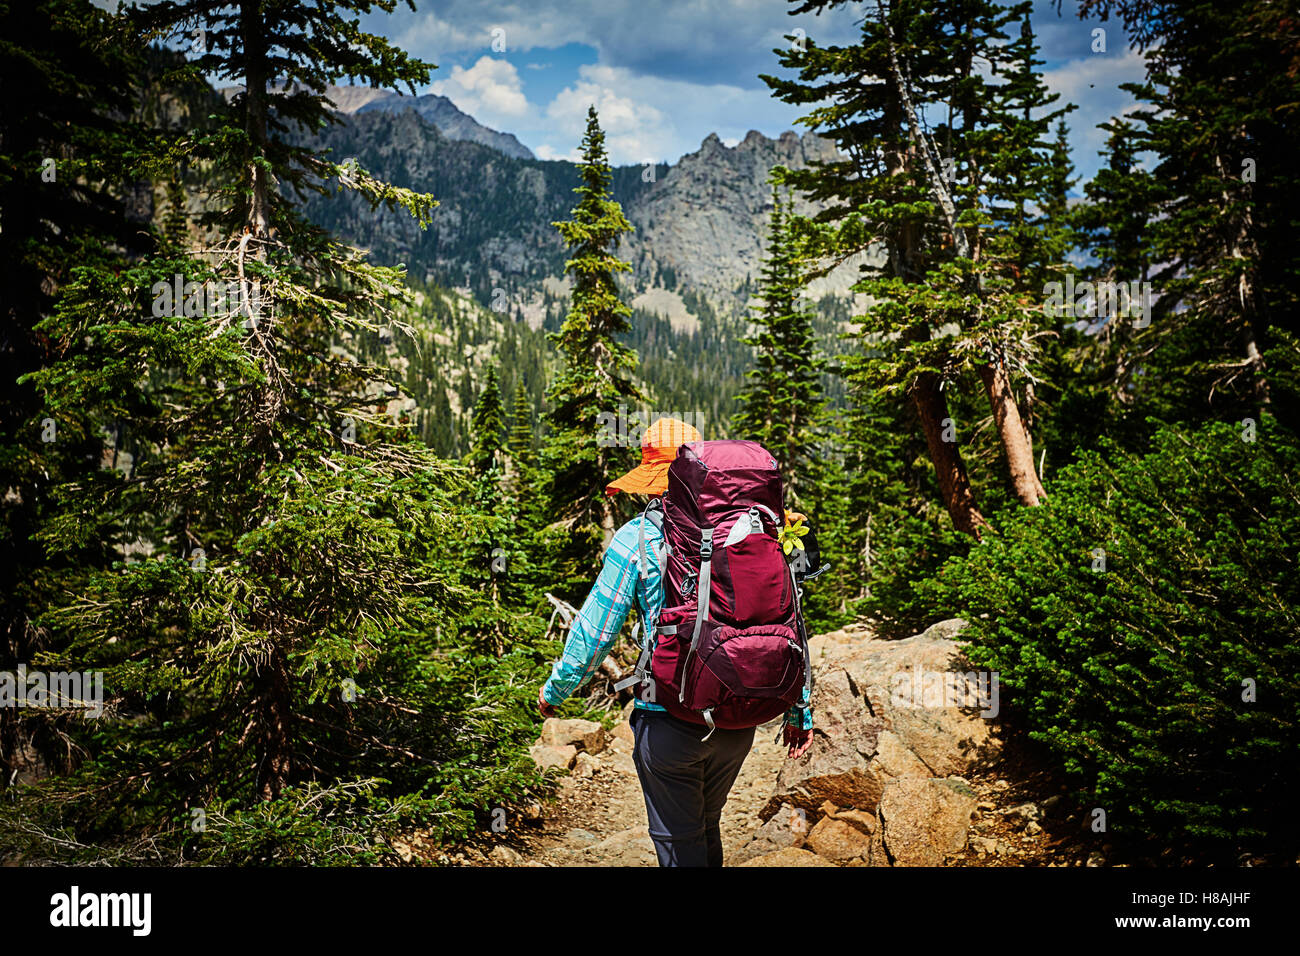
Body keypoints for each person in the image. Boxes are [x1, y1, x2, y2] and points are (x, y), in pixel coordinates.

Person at [538, 417, 814, 867]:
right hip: (739, 713)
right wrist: (799, 707)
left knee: (677, 842)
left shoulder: (639, 536)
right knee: (706, 827)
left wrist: (557, 691)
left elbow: (596, 631)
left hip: (667, 714)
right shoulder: (758, 530)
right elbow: (790, 619)